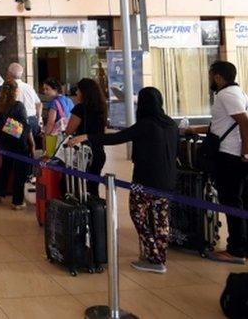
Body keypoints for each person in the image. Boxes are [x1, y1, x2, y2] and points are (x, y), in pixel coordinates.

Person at [68, 87, 178, 274]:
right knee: (161, 219)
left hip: (145, 180)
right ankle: (160, 255)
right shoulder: (170, 124)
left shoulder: (145, 125)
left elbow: (117, 138)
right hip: (167, 180)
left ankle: (154, 257)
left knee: (138, 215)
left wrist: (88, 136)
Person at [185, 61, 248, 264]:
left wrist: (244, 153)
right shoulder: (239, 93)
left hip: (234, 157)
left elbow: (246, 123)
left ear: (218, 77)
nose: (209, 80)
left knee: (232, 203)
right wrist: (194, 130)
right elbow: (221, 126)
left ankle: (236, 250)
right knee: (245, 201)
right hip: (246, 155)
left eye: (211, 76)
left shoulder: (226, 95)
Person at [0, 80, 35, 209]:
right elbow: (25, 127)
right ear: (16, 91)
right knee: (20, 172)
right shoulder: (18, 105)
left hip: (5, 142)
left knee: (5, 168)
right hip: (19, 143)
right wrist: (32, 144)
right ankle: (17, 202)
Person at [65, 78, 108, 197]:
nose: (77, 93)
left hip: (83, 154)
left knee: (78, 188)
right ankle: (95, 213)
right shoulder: (102, 108)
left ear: (84, 92)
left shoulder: (79, 108)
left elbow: (69, 130)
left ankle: (82, 214)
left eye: (78, 90)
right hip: (98, 152)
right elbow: (102, 131)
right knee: (93, 188)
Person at [7, 63, 43, 138]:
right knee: (31, 146)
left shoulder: (9, 87)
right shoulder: (29, 87)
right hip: (32, 120)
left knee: (13, 146)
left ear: (9, 73)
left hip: (15, 122)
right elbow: (39, 104)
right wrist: (39, 118)